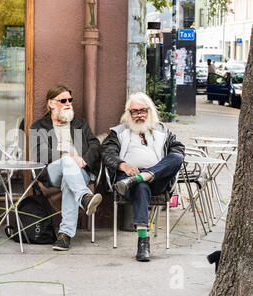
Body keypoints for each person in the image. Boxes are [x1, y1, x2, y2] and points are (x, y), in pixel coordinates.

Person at [101, 92, 184, 262]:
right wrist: (123, 165)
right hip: (127, 181)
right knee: (140, 186)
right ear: (128, 114)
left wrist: (147, 173)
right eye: (134, 111)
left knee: (176, 157)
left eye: (143, 111)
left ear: (150, 111)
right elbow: (107, 152)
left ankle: (144, 176)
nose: (139, 115)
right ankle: (143, 243)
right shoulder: (118, 133)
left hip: (157, 180)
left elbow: (178, 150)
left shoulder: (163, 131)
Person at [29, 84, 102, 251]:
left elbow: (95, 145)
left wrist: (84, 159)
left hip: (79, 171)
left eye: (70, 100)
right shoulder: (39, 126)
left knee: (70, 181)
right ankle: (84, 196)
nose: (68, 103)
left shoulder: (80, 124)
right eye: (63, 100)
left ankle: (64, 235)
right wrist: (66, 156)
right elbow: (38, 151)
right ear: (51, 103)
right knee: (67, 162)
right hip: (53, 172)